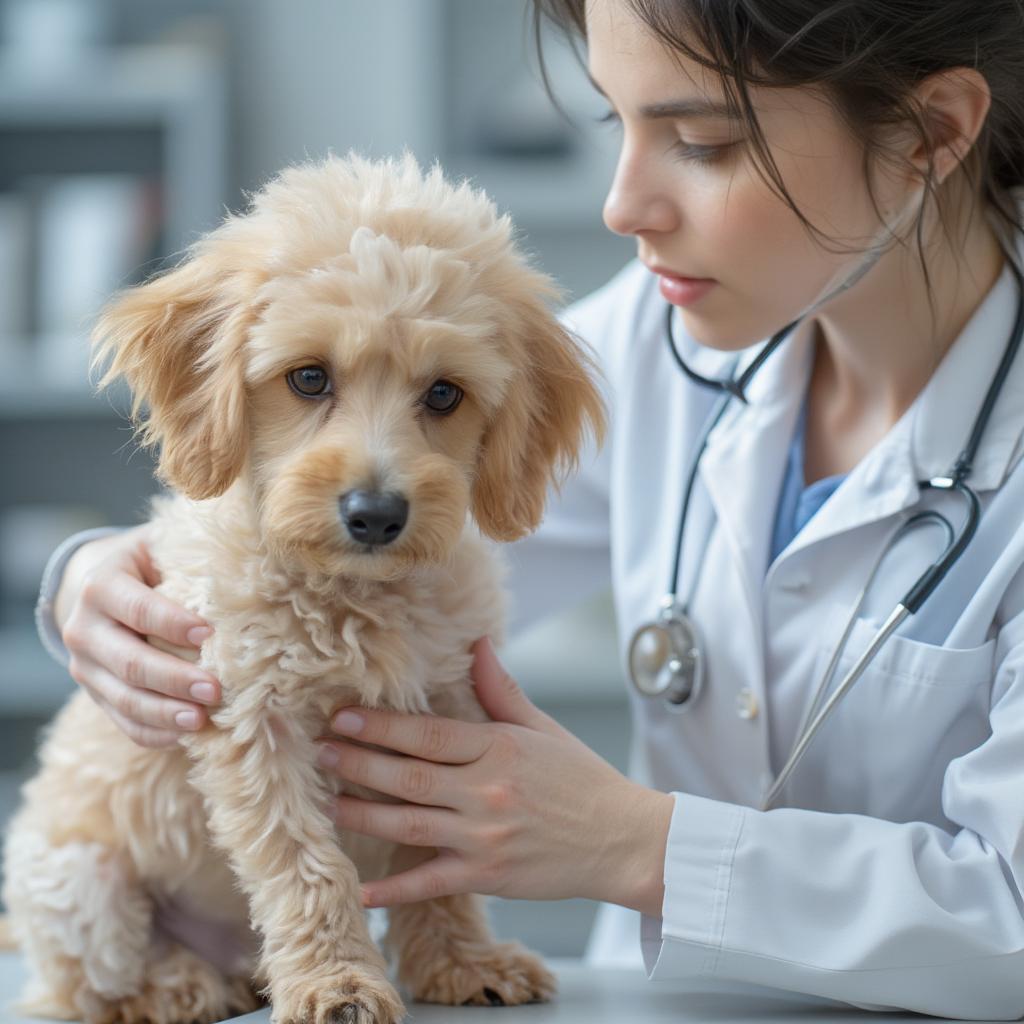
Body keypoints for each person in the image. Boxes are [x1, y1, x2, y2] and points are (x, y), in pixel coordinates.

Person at [33, 0, 1024, 1015]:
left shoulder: (630, 339)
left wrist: (638, 847)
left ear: (931, 131)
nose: (622, 203)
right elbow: (339, 535)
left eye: (702, 141)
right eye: (614, 122)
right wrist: (91, 579)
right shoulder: (669, 335)